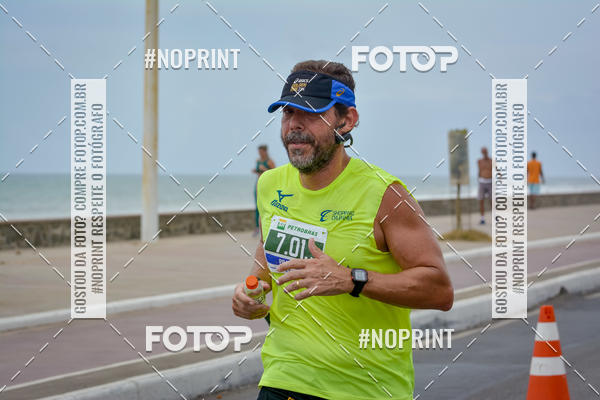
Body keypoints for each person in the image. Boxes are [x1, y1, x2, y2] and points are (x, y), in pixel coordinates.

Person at [232, 60, 453, 400]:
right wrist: (252, 295)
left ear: (346, 120)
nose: (294, 125)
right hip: (284, 380)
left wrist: (351, 280)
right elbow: (265, 257)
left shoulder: (385, 195)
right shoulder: (270, 184)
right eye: (288, 113)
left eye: (310, 113)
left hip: (365, 389)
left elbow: (439, 290)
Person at [252, 145, 275, 236]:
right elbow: (259, 172)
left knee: (267, 206)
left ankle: (268, 227)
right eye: (259, 152)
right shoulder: (258, 161)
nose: (260, 154)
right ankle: (257, 227)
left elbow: (274, 174)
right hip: (258, 184)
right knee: (257, 206)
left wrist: (265, 169)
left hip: (267, 185)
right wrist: (256, 170)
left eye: (261, 152)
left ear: (265, 151)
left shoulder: (270, 161)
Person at [477, 147, 493, 224]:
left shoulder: (491, 161)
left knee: (492, 201)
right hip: (482, 182)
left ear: (487, 152)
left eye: (485, 151)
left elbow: (497, 170)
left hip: (490, 182)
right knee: (481, 201)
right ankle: (482, 218)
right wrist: (478, 180)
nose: (485, 153)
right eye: (483, 152)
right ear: (482, 153)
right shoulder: (479, 161)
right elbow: (479, 171)